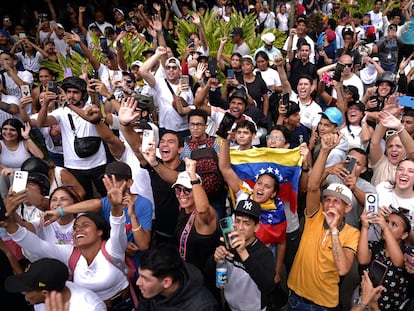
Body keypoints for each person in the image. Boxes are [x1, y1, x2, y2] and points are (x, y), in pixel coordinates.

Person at [2, 174, 134, 310]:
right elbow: (37, 245)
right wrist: (8, 222)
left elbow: (118, 231)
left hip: (123, 305)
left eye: (85, 225)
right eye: (75, 228)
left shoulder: (112, 249)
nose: (78, 229)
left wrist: (116, 210)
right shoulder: (70, 252)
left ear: (100, 232)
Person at [287, 133, 360, 310]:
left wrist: (334, 230)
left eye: (336, 201)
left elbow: (343, 269)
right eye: (327, 199)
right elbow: (312, 187)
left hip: (322, 305)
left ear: (347, 208)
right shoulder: (315, 216)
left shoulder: (352, 233)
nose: (330, 204)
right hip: (295, 297)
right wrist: (325, 151)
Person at [36, 76, 108, 199]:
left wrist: (68, 104)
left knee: (106, 194)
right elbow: (41, 123)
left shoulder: (91, 106)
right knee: (83, 199)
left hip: (98, 162)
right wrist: (45, 105)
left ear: (83, 94)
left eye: (75, 92)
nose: (71, 95)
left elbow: (90, 117)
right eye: (68, 92)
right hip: (74, 165)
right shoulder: (61, 111)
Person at [213, 199, 275, 310]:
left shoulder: (264, 253)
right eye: (237, 221)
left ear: (256, 227)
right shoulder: (227, 243)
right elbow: (210, 272)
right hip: (230, 307)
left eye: (246, 223)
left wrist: (243, 252)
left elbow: (268, 286)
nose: (240, 227)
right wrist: (215, 258)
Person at [136, 243, 220, 311]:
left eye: (145, 278)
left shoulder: (204, 307)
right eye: (140, 275)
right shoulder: (149, 291)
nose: (138, 282)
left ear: (166, 282)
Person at [358, 206, 411, 310]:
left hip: (391, 306)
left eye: (394, 225)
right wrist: (364, 226)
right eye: (386, 221)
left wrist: (386, 228)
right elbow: (363, 260)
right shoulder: (374, 246)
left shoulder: (408, 253)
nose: (386, 225)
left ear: (404, 235)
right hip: (365, 303)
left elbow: (398, 262)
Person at [5, 258, 106, 310]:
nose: (23, 292)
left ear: (45, 293)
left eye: (27, 289)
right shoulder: (44, 295)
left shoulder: (90, 307)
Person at [139, 46, 194, 137]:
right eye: (168, 68)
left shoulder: (185, 86)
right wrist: (157, 55)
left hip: (183, 130)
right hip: (165, 130)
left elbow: (190, 107)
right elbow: (142, 71)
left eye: (174, 68)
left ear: (179, 71)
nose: (171, 70)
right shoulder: (159, 83)